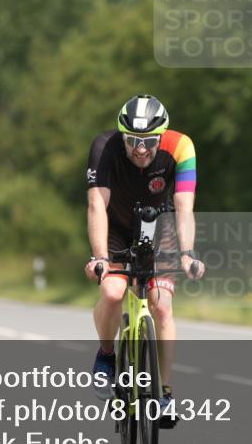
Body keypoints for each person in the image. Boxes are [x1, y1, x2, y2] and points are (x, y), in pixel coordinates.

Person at [84, 94, 204, 423]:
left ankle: (164, 394)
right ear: (122, 135)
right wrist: (100, 257)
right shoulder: (105, 147)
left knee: (161, 306)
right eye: (133, 140)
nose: (140, 149)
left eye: (149, 141)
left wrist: (188, 253)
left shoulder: (181, 146)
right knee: (112, 292)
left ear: (161, 137)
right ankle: (106, 356)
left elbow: (184, 206)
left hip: (159, 226)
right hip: (115, 228)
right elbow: (96, 205)